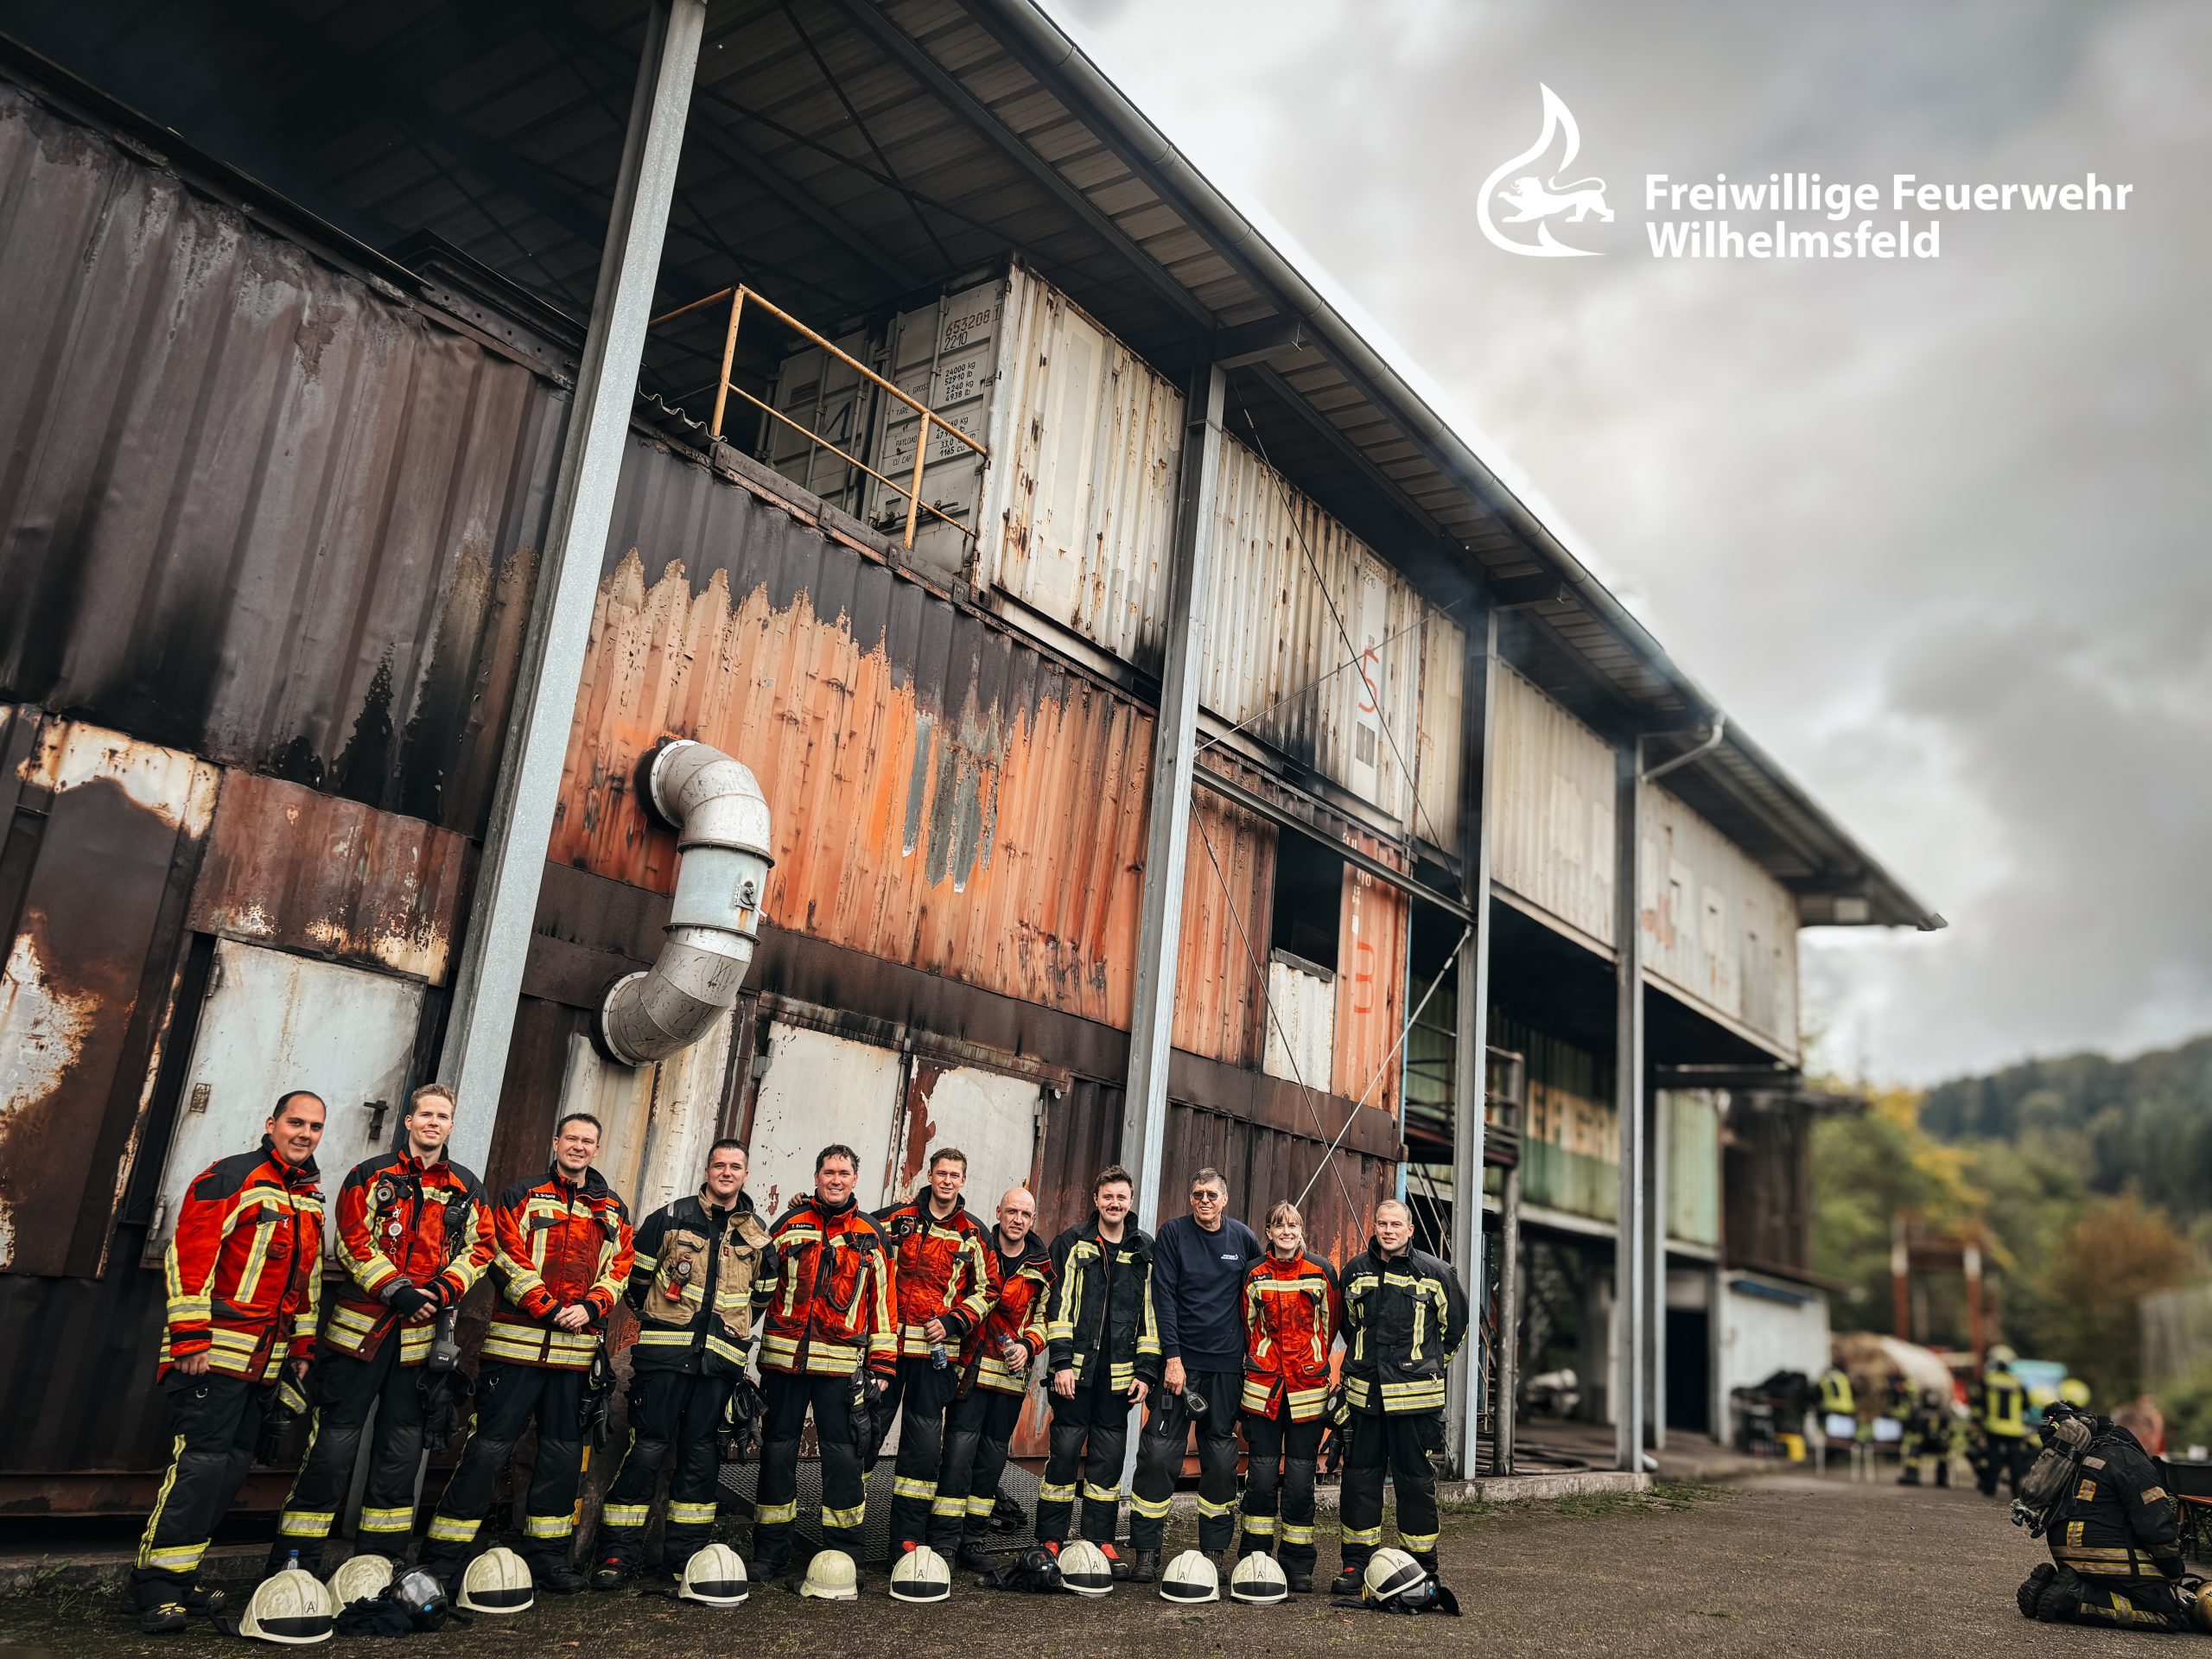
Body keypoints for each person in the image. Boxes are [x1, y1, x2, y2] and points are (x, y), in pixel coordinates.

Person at [266, 1084, 493, 1576]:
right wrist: (395, 1290)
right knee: (332, 1446)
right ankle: (295, 1563)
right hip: (357, 1337)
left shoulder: (468, 1187)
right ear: (408, 1122)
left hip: (418, 1348)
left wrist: (441, 1290)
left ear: (451, 1126)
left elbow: (480, 1248)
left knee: (401, 1452)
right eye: (426, 1114)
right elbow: (350, 1240)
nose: (434, 1122)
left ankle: (378, 1565)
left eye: (443, 1116)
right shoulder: (370, 1175)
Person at [126, 1091, 327, 1635]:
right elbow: (188, 1256)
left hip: (264, 1364)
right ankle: (155, 1589)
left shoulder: (309, 1199)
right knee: (200, 1466)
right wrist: (189, 1339)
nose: (305, 1134)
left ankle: (180, 1578)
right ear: (271, 1124)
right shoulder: (232, 1176)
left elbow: (304, 1286)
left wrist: (302, 1349)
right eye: (295, 1123)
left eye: (314, 1127)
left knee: (230, 1468)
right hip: (212, 1356)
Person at [419, 1113, 633, 1595]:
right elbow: (502, 1253)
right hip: (513, 1352)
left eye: (588, 1141)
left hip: (574, 1358)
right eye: (571, 1138)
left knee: (560, 1456)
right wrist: (551, 1307)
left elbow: (620, 1268)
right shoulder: (522, 1194)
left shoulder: (613, 1209)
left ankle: (548, 1559)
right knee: (487, 1450)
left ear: (596, 1150)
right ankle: (444, 1560)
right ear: (556, 1142)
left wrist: (590, 1307)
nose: (578, 1147)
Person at [592, 1138, 774, 1588]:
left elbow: (762, 1296)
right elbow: (636, 1283)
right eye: (719, 1165)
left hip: (719, 1366)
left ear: (745, 1174)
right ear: (707, 1171)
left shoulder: (758, 1236)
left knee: (699, 1455)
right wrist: (667, 1326)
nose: (727, 1173)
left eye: (735, 1166)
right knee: (647, 1447)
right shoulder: (669, 1219)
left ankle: (686, 1558)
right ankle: (617, 1555)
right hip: (664, 1359)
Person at [751, 1143, 897, 1582]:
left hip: (841, 1370)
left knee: (844, 1460)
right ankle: (771, 1554)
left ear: (856, 1180)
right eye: (829, 1172)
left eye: (844, 1173)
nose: (836, 1179)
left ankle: (842, 1556)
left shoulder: (872, 1235)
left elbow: (882, 1305)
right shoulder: (789, 1225)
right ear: (816, 1177)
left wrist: (884, 1367)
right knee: (777, 1457)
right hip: (784, 1363)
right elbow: (759, 1286)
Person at [1129, 1166, 1263, 1580]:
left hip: (1226, 1368)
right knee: (1158, 1453)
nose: (1204, 1201)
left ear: (1225, 1199)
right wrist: (1172, 1358)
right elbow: (1162, 1297)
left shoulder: (1242, 1238)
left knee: (1222, 1460)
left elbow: (1258, 1290)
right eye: (1197, 1194)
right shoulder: (1173, 1233)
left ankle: (1215, 1552)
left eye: (1211, 1195)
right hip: (1180, 1367)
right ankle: (1147, 1553)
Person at [1332, 1198, 1466, 1595]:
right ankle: (1357, 1565)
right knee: (1359, 1482)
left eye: (1396, 1224)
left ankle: (1422, 1565)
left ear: (1410, 1230)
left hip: (1416, 1403)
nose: (1388, 1230)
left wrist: (1426, 1366)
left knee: (1415, 1483)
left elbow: (1454, 1331)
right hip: (1366, 1398)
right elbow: (1349, 1327)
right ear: (1374, 1227)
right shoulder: (1355, 1271)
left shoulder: (1436, 1273)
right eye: (1381, 1223)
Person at [1037, 1165, 1161, 1575]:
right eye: (1107, 1197)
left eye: (1121, 1197)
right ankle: (1050, 1539)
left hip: (1120, 1378)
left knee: (1108, 1461)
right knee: (1064, 1456)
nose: (1114, 1204)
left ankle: (1100, 1541)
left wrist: (1145, 1372)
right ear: (1096, 1200)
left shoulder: (1144, 1248)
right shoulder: (1073, 1243)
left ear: (1130, 1201)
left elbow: (1150, 1316)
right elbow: (1058, 1308)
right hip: (1074, 1373)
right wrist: (1060, 1364)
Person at [873, 1147, 996, 1554]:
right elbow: (854, 1232)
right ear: (929, 1174)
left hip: (935, 1357)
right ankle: (846, 1536)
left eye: (954, 1175)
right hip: (887, 1353)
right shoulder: (896, 1219)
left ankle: (905, 1541)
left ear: (964, 1181)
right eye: (940, 1173)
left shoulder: (975, 1233)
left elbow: (989, 1290)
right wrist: (806, 1203)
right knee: (864, 1434)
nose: (946, 1180)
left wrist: (954, 1321)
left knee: (922, 1453)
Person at [932, 1185, 1053, 1570]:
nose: (1018, 1220)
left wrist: (1028, 1346)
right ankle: (944, 1542)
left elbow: (1044, 1319)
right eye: (1012, 1211)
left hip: (1009, 1380)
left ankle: (973, 1540)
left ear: (1033, 1221)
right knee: (957, 1458)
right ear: (998, 1210)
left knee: (989, 1463)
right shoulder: (976, 1249)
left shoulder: (1042, 1267)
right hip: (970, 1374)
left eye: (1026, 1215)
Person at [1236, 1200, 1340, 1593]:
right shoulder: (1254, 1274)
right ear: (1268, 1231)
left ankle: (1298, 1564)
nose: (1286, 1231)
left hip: (1307, 1390)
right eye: (1279, 1225)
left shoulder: (1320, 1272)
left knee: (1299, 1482)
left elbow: (1331, 1326)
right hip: (1264, 1390)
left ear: (1301, 1230)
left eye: (1293, 1225)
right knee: (1260, 1478)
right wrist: (1264, 1361)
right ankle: (1255, 1558)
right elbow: (1246, 1327)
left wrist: (1311, 1363)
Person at [2018, 1403, 2195, 1632]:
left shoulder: (2088, 1450)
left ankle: (2050, 1588)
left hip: (2062, 1547)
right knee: (2167, 1614)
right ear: (2149, 1433)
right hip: (2101, 1552)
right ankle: (2075, 1599)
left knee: (2128, 1585)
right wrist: (2173, 1572)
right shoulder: (2133, 1461)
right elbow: (2157, 1527)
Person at [1977, 1345, 2033, 1499]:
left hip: (1993, 1426)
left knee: (1993, 1457)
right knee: (2015, 1460)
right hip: (2014, 1429)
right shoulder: (2017, 1383)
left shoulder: (1988, 1380)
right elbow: (2026, 1404)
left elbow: (1980, 1402)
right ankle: (2015, 1491)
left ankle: (1990, 1488)